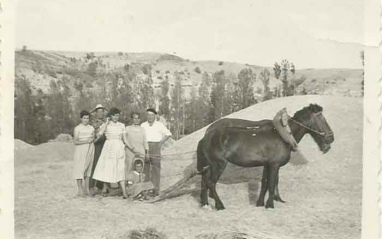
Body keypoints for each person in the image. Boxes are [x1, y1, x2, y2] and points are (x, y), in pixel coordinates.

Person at [92, 107, 135, 199]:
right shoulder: (106, 125)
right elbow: (98, 134)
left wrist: (133, 148)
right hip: (109, 148)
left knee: (120, 169)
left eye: (117, 115)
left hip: (119, 147)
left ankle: (124, 192)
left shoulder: (121, 125)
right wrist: (106, 123)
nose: (116, 117)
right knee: (107, 167)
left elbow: (125, 140)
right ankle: (105, 188)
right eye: (114, 115)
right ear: (110, 116)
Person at [141, 108, 172, 195]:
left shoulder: (159, 125)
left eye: (151, 115)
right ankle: (145, 189)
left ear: (155, 116)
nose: (150, 117)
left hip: (155, 147)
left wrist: (161, 142)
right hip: (145, 147)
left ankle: (155, 189)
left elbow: (168, 134)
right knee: (145, 168)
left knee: (156, 168)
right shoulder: (143, 125)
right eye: (148, 115)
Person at [72, 110, 95, 197]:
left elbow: (93, 138)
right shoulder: (77, 128)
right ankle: (80, 190)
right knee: (79, 168)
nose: (86, 120)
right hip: (80, 149)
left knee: (88, 169)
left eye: (87, 118)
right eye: (84, 118)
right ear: (80, 119)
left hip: (90, 148)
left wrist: (90, 141)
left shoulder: (91, 128)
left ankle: (87, 189)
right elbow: (75, 141)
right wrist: (86, 141)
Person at [124, 112, 149, 179]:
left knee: (140, 169)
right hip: (130, 152)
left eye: (138, 118)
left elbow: (145, 141)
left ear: (140, 119)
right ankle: (128, 186)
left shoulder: (142, 129)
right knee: (129, 168)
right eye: (135, 118)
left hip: (141, 152)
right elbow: (124, 140)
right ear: (132, 119)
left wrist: (146, 153)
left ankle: (139, 186)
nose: (136, 120)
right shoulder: (127, 128)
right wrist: (131, 149)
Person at [89, 104, 108, 192]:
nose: (100, 113)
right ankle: (92, 185)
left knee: (105, 164)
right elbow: (95, 134)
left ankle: (103, 186)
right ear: (96, 113)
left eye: (102, 111)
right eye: (98, 112)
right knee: (96, 163)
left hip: (106, 143)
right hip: (97, 144)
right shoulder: (93, 122)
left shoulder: (107, 121)